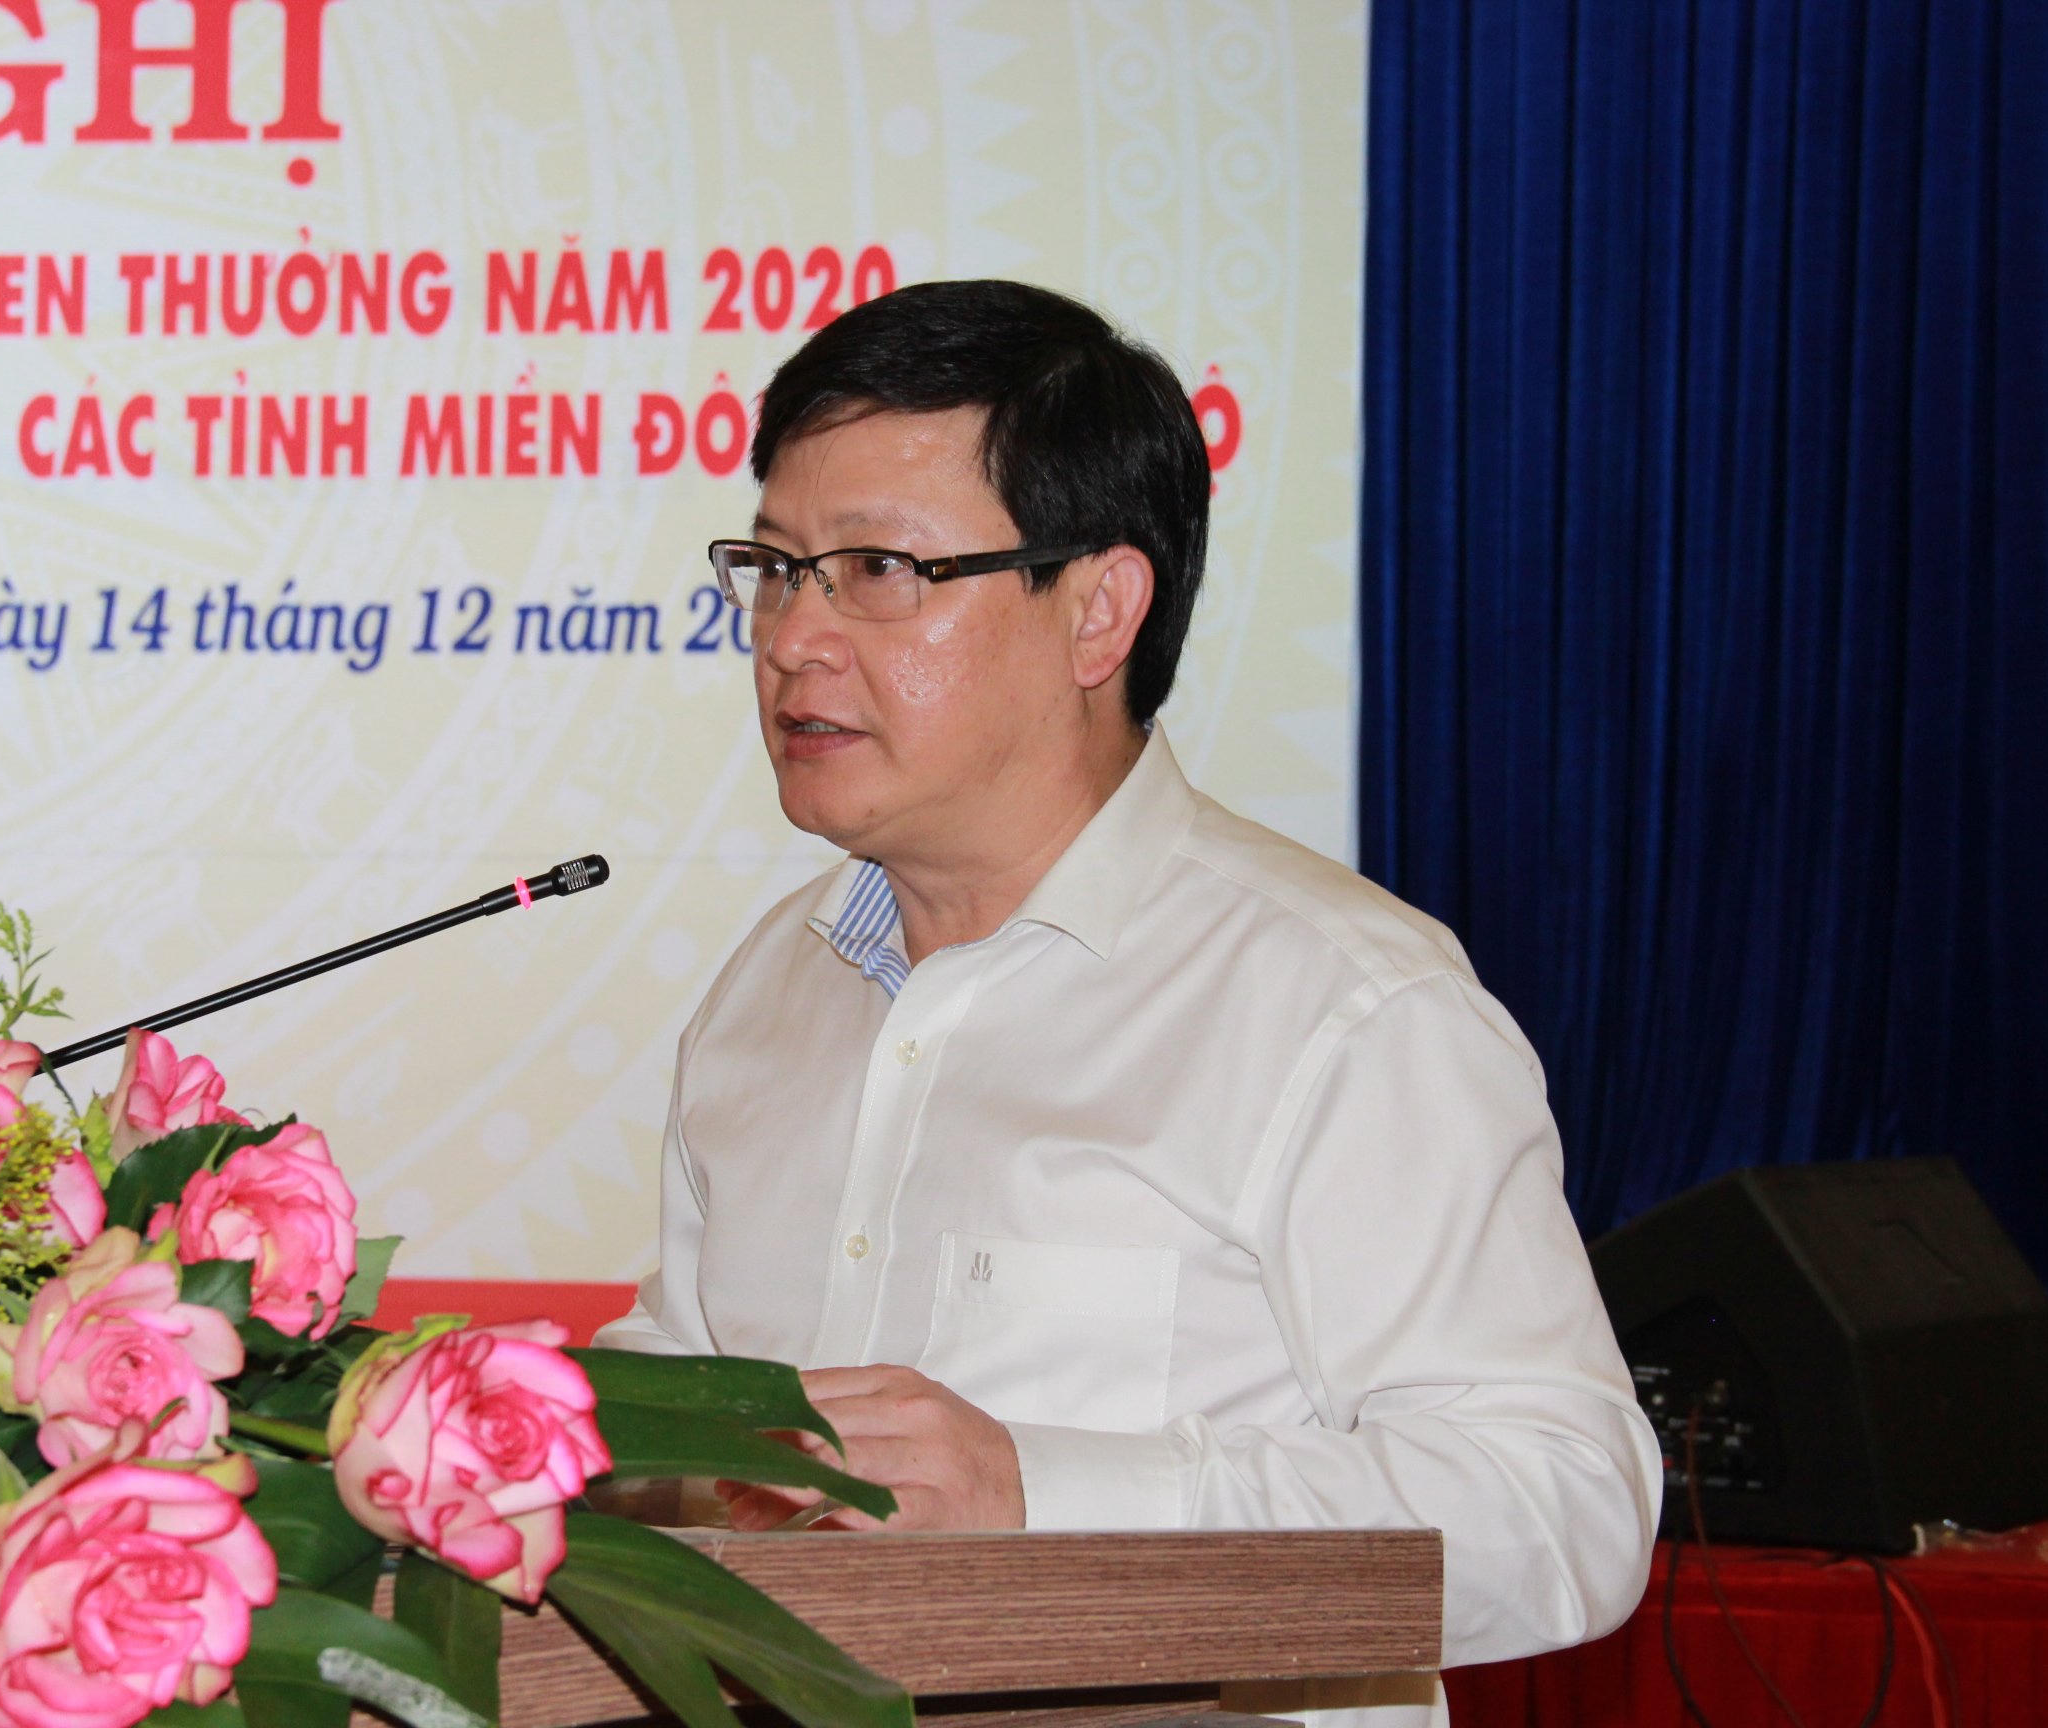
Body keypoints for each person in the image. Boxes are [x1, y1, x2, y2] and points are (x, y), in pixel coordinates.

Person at [596, 280, 1660, 1722]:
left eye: (880, 571)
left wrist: (1039, 1493)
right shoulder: (774, 984)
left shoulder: (1342, 1005)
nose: (792, 638)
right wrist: (552, 1442)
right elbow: (700, 1372)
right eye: (777, 568)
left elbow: (1565, 1506)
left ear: (1098, 611)